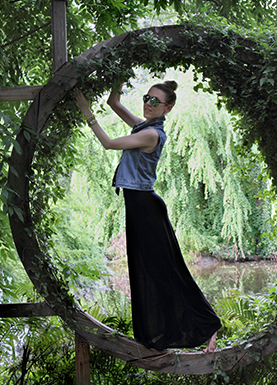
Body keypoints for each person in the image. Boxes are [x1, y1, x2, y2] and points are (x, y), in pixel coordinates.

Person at [74, 81, 221, 352]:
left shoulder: (151, 134)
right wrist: (119, 76)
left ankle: (207, 324)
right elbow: (114, 103)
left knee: (163, 271)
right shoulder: (144, 126)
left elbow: (108, 143)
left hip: (145, 208)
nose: (148, 104)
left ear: (168, 107)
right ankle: (168, 332)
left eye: (155, 101)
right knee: (152, 270)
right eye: (146, 98)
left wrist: (86, 112)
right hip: (141, 206)